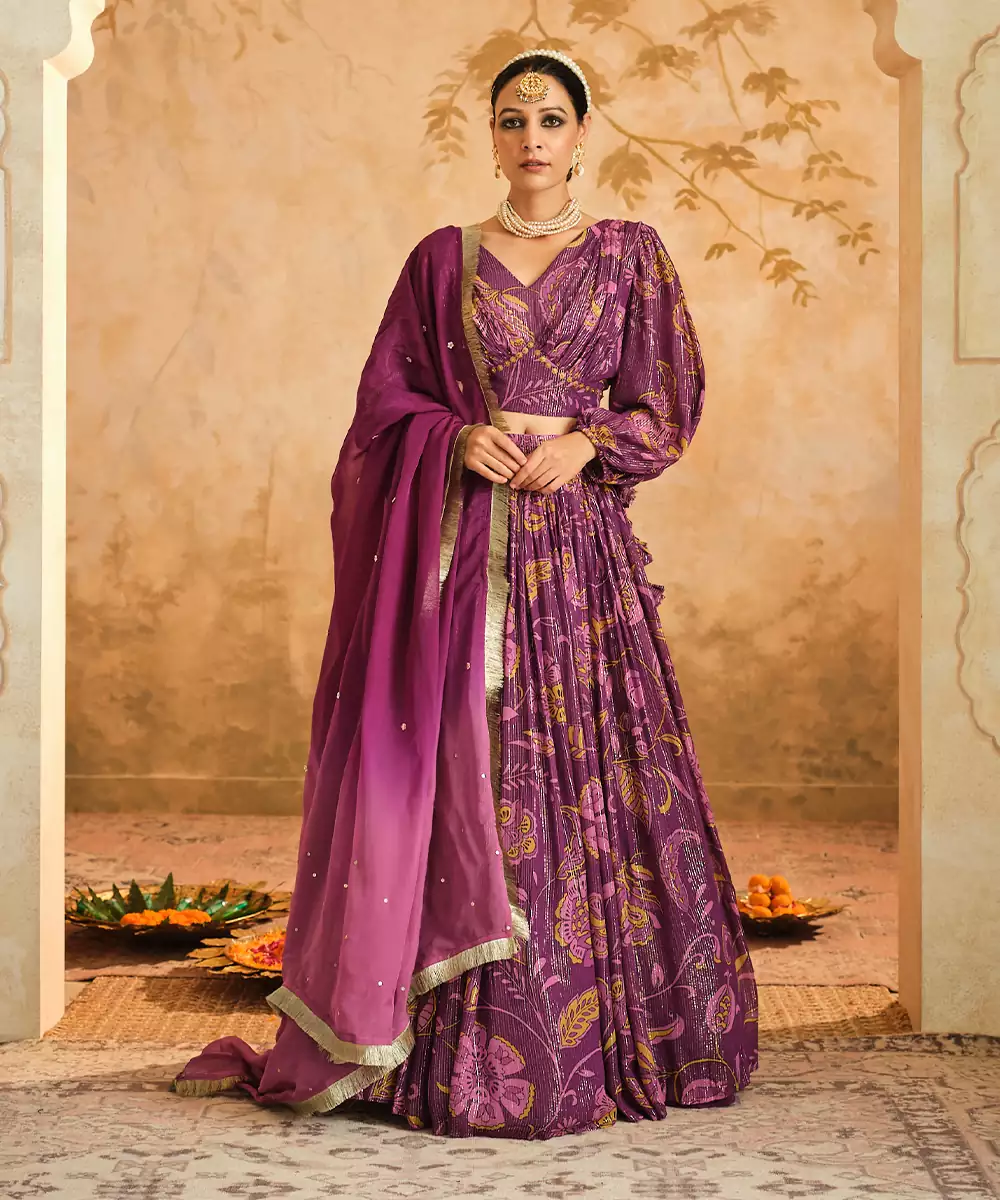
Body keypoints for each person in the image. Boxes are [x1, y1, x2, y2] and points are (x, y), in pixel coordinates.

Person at [175, 49, 759, 1138]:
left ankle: (596, 1035)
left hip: (575, 555)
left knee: (579, 761)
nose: (532, 137)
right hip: (464, 552)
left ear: (582, 134)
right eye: (512, 120)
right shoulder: (440, 261)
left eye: (551, 118)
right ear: (490, 138)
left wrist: (588, 444)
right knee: (462, 756)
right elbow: (382, 406)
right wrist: (452, 439)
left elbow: (669, 402)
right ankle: (447, 1047)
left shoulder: (630, 255)